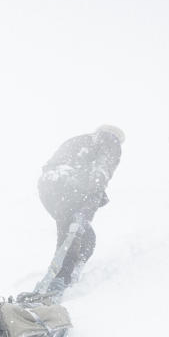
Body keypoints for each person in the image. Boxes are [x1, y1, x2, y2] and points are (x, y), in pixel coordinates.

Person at [36, 125, 123, 294]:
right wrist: (88, 211)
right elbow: (101, 172)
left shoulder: (80, 140)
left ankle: (67, 272)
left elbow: (57, 163)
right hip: (72, 184)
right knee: (76, 230)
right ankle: (60, 278)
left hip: (48, 185)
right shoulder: (110, 140)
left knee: (84, 236)